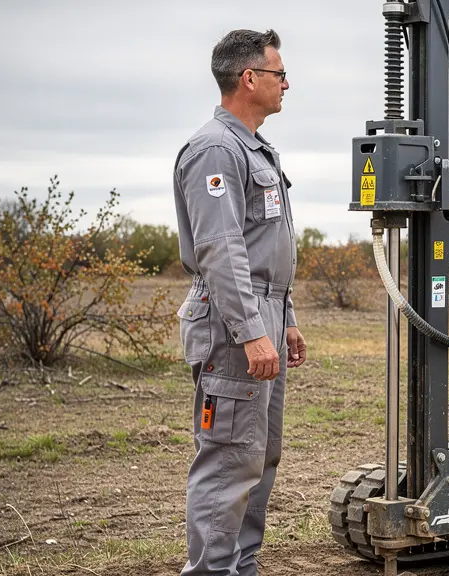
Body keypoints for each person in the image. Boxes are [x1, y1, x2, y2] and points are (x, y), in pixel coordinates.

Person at [171, 28, 306, 576]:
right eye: (278, 74)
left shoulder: (254, 148)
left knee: (258, 455)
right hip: (232, 323)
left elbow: (265, 246)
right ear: (248, 78)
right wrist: (252, 331)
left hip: (263, 310)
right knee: (229, 458)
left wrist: (285, 322)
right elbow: (221, 250)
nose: (286, 84)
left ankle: (239, 568)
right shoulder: (215, 149)